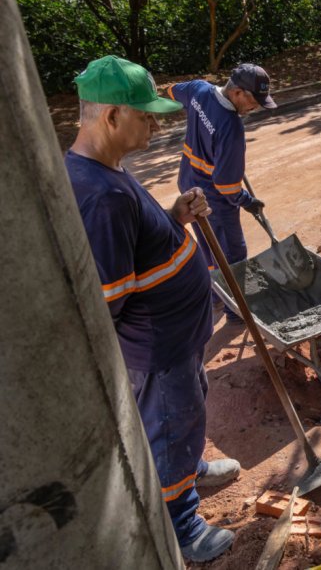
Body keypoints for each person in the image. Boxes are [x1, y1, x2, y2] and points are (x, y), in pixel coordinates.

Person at [65, 55, 241, 563]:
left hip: (176, 341)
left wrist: (174, 217)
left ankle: (186, 470)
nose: (156, 122)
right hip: (158, 348)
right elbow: (109, 300)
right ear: (112, 117)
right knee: (170, 422)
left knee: (185, 416)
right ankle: (180, 525)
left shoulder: (107, 171)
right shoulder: (100, 196)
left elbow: (136, 252)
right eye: (145, 115)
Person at [167, 64, 277, 323]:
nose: (256, 107)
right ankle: (237, 312)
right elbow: (227, 186)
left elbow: (171, 92)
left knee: (208, 245)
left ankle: (216, 296)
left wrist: (199, 117)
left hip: (188, 185)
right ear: (238, 92)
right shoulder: (231, 128)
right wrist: (247, 201)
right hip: (214, 200)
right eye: (254, 101)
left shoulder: (198, 89)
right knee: (233, 254)